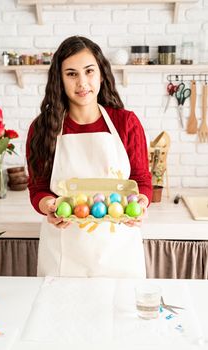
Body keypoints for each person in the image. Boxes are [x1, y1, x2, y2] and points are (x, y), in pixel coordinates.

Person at [26, 36, 152, 278]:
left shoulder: (126, 123)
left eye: (89, 71)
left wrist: (141, 205)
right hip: (64, 253)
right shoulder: (43, 128)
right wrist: (49, 207)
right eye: (71, 74)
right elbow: (38, 188)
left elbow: (141, 179)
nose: (82, 82)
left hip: (119, 252)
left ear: (101, 75)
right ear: (59, 80)